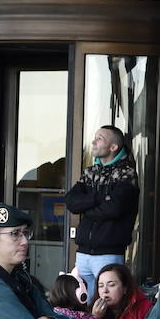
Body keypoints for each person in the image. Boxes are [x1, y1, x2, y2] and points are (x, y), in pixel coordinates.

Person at [65, 125, 139, 298]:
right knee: (82, 302)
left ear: (113, 147)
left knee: (108, 304)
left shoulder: (127, 174)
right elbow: (71, 202)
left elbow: (114, 209)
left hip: (109, 253)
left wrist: (87, 206)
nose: (93, 142)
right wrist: (98, 199)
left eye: (100, 139)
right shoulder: (90, 173)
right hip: (83, 252)